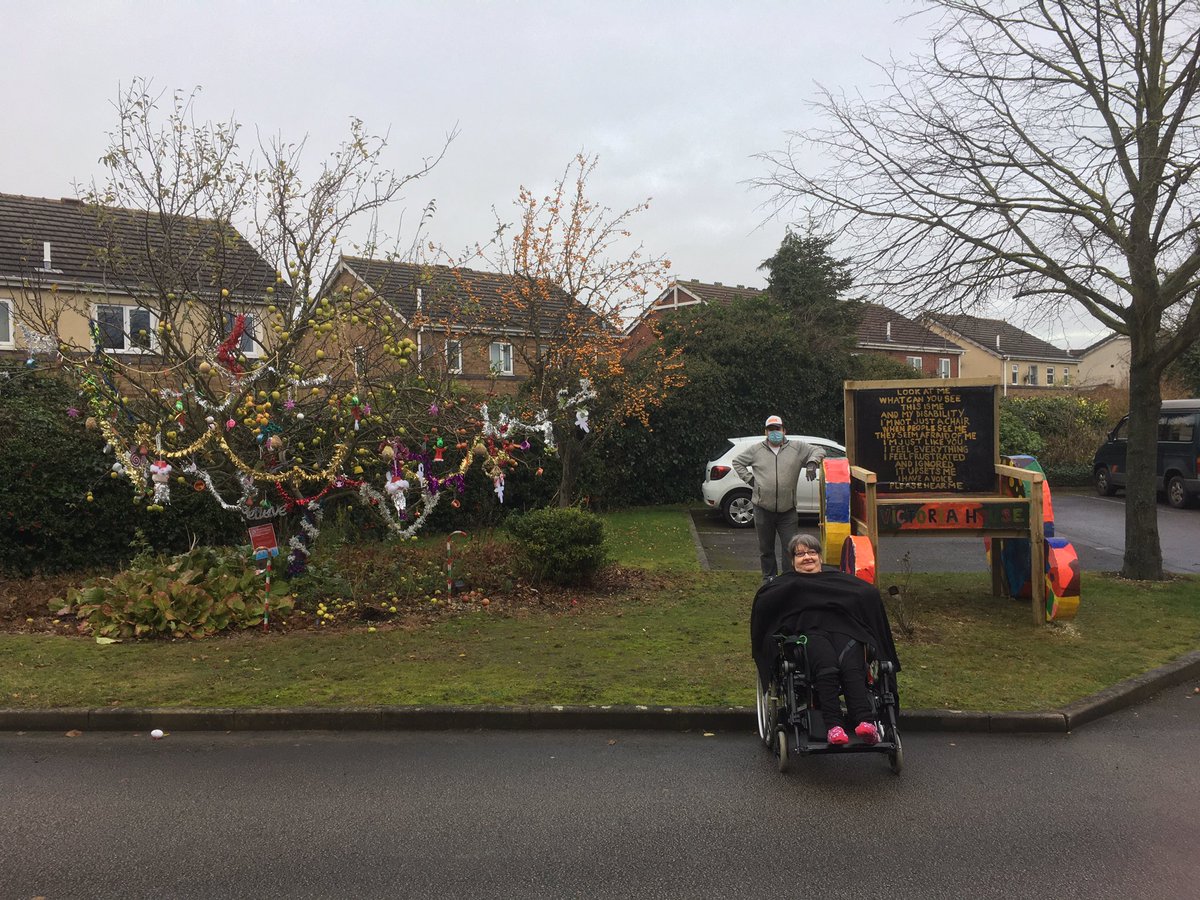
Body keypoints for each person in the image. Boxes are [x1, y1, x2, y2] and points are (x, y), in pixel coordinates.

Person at [750, 533, 901, 747]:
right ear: (792, 561)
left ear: (820, 557)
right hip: (808, 635)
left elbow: (867, 593)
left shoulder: (839, 581)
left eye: (812, 552)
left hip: (844, 631)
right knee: (826, 664)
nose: (807, 557)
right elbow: (765, 605)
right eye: (800, 554)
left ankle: (865, 722)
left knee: (851, 664)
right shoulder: (786, 586)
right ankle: (833, 726)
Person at [731, 415, 826, 580]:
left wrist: (812, 462)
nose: (775, 432)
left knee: (790, 548)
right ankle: (769, 578)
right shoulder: (755, 450)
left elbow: (819, 450)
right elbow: (737, 462)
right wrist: (750, 479)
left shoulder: (797, 447)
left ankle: (789, 578)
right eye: (771, 429)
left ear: (784, 430)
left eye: (778, 429)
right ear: (766, 432)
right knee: (766, 548)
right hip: (762, 508)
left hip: (787, 510)